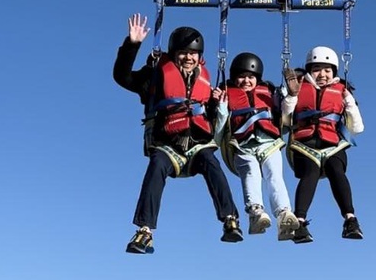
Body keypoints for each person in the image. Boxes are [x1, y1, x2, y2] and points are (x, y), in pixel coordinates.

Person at [113, 14, 243, 253]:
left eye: (193, 53)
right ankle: (144, 231)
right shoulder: (155, 75)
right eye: (183, 53)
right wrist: (131, 45)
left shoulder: (205, 81)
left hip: (197, 146)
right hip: (167, 145)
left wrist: (218, 103)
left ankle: (230, 219)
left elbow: (213, 117)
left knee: (211, 163)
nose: (188, 58)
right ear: (174, 54)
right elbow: (122, 77)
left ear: (200, 56)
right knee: (156, 166)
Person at [282, 46, 364, 243]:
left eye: (327, 70)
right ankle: (299, 223)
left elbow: (358, 128)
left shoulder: (341, 91)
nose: (322, 75)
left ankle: (350, 220)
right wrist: (292, 97)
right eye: (317, 69)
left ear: (334, 72)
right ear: (310, 70)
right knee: (310, 173)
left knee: (337, 171)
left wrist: (350, 104)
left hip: (332, 144)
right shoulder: (299, 87)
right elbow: (285, 121)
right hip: (304, 144)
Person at [216, 52, 299, 240]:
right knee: (251, 173)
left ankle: (284, 213)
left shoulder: (269, 93)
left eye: (251, 77)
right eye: (241, 77)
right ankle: (255, 213)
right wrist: (221, 107)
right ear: (234, 78)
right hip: (242, 146)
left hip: (269, 143)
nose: (246, 80)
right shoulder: (227, 95)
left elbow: (286, 118)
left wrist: (291, 95)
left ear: (257, 79)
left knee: (274, 175)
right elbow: (218, 132)